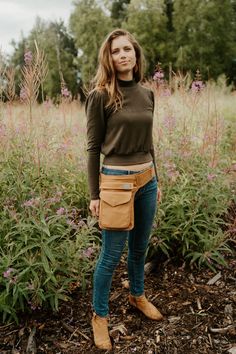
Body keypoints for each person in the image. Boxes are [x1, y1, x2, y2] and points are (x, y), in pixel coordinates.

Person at [85, 28, 163, 351]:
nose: (122, 55)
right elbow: (92, 149)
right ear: (109, 57)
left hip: (147, 180)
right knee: (110, 255)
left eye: (127, 49)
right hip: (115, 184)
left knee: (139, 249)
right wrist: (94, 195)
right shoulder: (100, 95)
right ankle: (99, 317)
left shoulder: (147, 94)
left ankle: (137, 295)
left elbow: (149, 142)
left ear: (135, 54)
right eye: (116, 51)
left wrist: (156, 178)